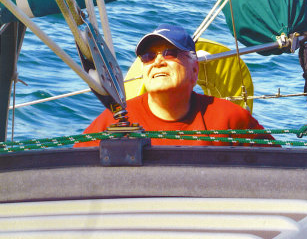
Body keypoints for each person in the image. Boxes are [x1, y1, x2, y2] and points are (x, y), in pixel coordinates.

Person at [75, 24, 275, 147]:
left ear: (194, 71)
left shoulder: (229, 118)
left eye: (170, 53)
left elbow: (281, 170)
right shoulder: (114, 123)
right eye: (148, 56)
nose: (158, 62)